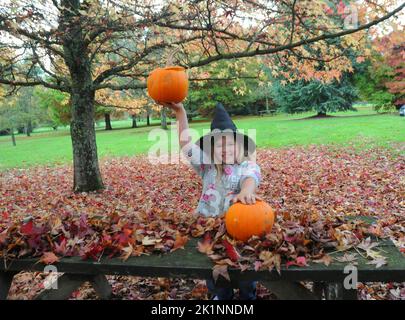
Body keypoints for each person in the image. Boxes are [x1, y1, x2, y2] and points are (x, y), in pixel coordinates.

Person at [159, 101, 262, 300]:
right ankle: (221, 296)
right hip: (209, 229)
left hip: (239, 231)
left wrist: (247, 191)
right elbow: (186, 144)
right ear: (211, 148)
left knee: (245, 272)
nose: (225, 149)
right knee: (215, 272)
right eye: (220, 144)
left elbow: (252, 178)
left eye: (230, 143)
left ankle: (248, 296)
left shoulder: (246, 166)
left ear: (238, 145)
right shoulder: (206, 166)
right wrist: (181, 113)